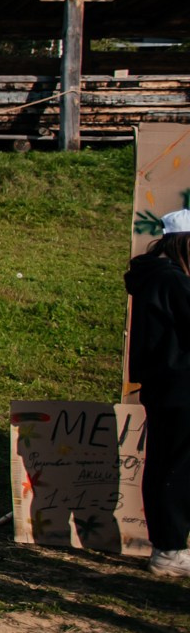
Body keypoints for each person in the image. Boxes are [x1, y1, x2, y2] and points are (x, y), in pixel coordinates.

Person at [127, 210, 190, 579]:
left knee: (169, 464)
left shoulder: (157, 275)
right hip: (179, 387)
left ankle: (170, 544)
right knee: (176, 467)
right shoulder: (171, 281)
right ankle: (170, 548)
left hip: (168, 386)